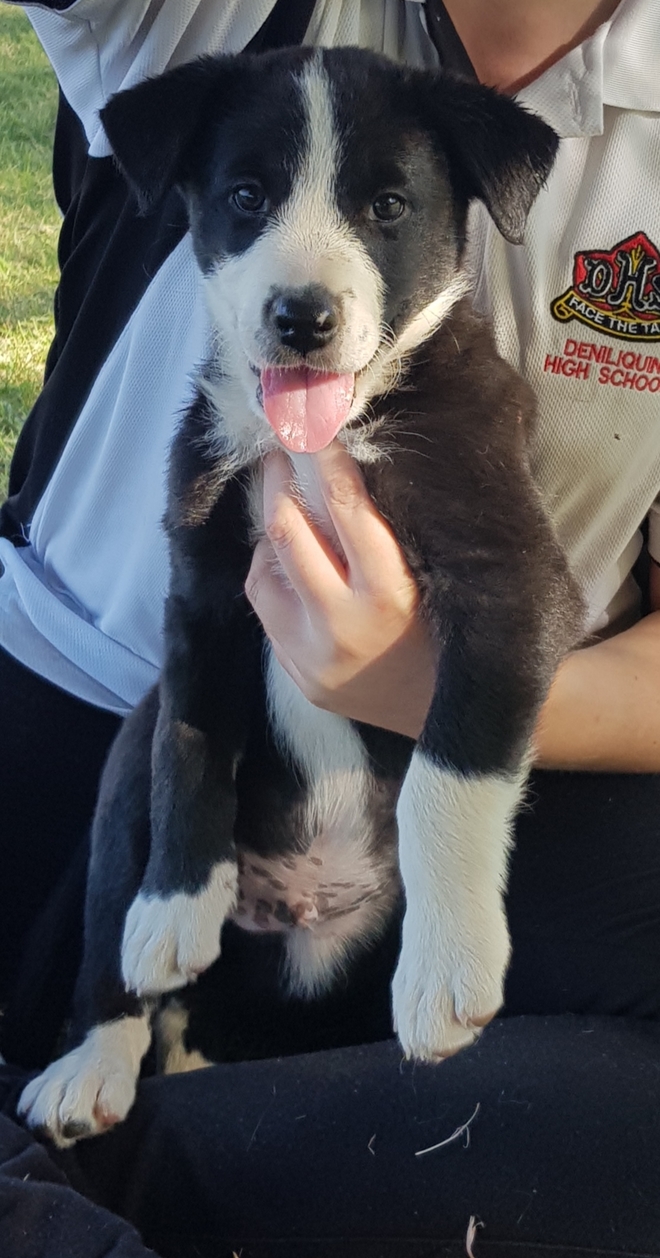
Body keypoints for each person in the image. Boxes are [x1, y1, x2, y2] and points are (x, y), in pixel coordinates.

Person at [1, 1, 660, 1255]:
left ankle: (149, 1179)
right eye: (248, 199)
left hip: (494, 742)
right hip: (106, 706)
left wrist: (422, 689)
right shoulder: (200, 25)